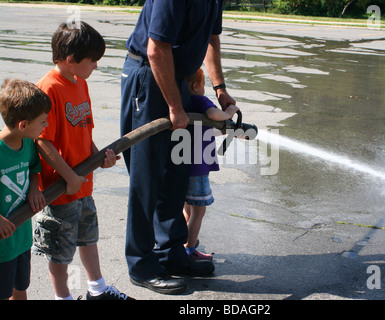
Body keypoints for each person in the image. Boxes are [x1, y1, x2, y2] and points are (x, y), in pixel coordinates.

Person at [121, 0, 236, 294]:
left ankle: (170, 253)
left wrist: (219, 88)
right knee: (147, 176)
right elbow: (156, 48)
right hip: (150, 75)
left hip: (179, 79)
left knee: (176, 171)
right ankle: (141, 263)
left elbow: (211, 38)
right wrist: (174, 106)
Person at [32, 21, 133, 300]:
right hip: (60, 190)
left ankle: (97, 290)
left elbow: (83, 128)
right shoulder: (48, 89)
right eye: (93, 60)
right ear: (70, 59)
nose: (96, 67)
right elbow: (42, 141)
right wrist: (69, 177)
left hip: (82, 184)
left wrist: (100, 156)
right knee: (60, 251)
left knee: (89, 238)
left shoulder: (80, 83)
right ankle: (62, 297)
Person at [0, 79, 50, 300]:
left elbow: (32, 168)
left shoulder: (28, 143)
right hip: (2, 246)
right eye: (42, 122)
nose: (45, 126)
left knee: (20, 288)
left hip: (21, 240)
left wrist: (35, 188)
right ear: (23, 125)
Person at [183, 68, 239, 261]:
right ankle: (189, 248)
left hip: (178, 164)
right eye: (204, 86)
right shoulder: (199, 100)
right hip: (197, 167)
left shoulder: (179, 101)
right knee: (199, 210)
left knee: (185, 204)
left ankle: (186, 236)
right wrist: (230, 112)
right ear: (196, 85)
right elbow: (214, 114)